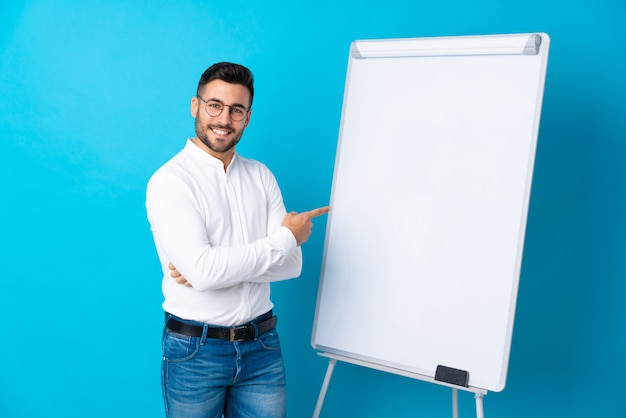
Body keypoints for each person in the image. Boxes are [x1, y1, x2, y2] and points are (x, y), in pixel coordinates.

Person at [146, 62, 330, 418]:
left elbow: (291, 266)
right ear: (195, 106)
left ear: (248, 117)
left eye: (236, 110)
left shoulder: (261, 176)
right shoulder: (171, 181)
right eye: (214, 105)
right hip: (194, 351)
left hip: (262, 346)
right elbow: (205, 272)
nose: (224, 119)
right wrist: (285, 238)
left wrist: (217, 266)